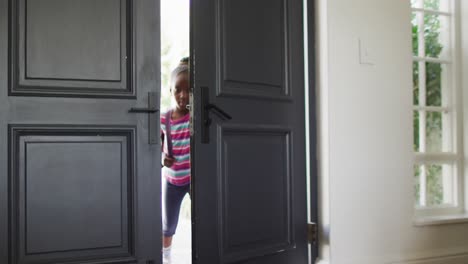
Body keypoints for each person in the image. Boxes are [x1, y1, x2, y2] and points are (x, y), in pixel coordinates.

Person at [160, 57, 190, 264]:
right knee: (168, 224)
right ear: (170, 91)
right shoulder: (163, 119)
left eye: (188, 89)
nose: (183, 95)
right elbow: (153, 149)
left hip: (193, 179)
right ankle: (166, 256)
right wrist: (163, 158)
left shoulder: (196, 116)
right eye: (178, 89)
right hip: (172, 181)